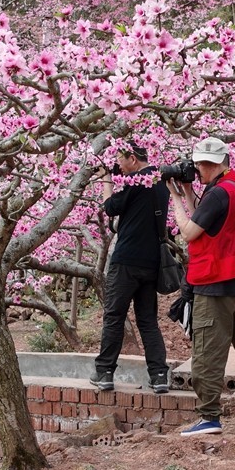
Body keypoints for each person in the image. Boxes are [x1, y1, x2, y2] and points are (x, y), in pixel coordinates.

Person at [167, 136, 235, 436]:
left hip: (215, 283)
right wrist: (189, 193)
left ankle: (209, 416)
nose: (198, 170)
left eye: (201, 165)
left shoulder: (217, 195)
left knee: (208, 351)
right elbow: (209, 219)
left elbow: (189, 232)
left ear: (211, 163)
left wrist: (175, 198)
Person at [90, 143, 171, 395]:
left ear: (133, 159)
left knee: (114, 316)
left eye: (120, 160)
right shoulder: (160, 180)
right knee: (148, 321)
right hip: (152, 262)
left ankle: (104, 372)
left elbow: (110, 207)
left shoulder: (134, 181)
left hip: (126, 261)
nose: (119, 168)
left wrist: (106, 181)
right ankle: (159, 376)